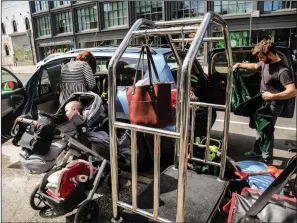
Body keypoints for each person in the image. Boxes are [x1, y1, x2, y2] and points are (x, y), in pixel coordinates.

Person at [233, 40, 296, 161]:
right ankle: (257, 152)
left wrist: (272, 96)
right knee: (259, 126)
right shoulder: (265, 62)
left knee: (267, 131)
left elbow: (292, 91)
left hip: (273, 104)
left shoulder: (282, 71)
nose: (260, 59)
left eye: (262, 57)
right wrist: (239, 65)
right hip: (262, 101)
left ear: (271, 54)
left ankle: (267, 160)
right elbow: (255, 66)